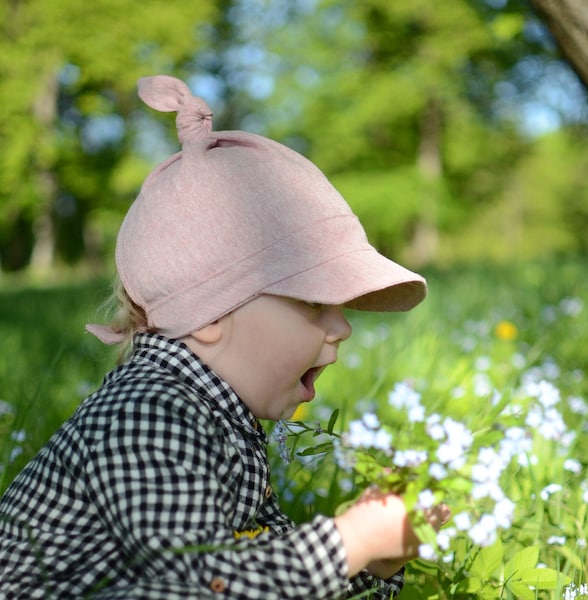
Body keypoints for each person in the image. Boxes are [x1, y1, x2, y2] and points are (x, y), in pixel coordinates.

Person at [0, 75, 449, 599]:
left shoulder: (221, 420)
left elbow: (269, 582)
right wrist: (345, 543)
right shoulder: (147, 415)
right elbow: (197, 583)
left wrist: (378, 562)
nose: (342, 327)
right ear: (210, 315)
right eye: (312, 301)